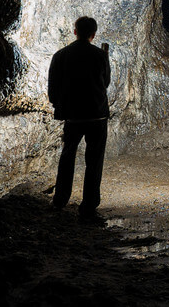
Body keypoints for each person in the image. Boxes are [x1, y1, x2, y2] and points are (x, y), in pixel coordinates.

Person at [47, 15, 111, 219]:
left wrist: (61, 105)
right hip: (96, 116)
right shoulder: (100, 56)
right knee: (94, 160)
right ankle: (89, 204)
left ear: (75, 31)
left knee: (67, 156)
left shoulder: (60, 55)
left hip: (72, 116)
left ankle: (60, 199)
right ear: (93, 34)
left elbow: (53, 88)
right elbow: (106, 82)